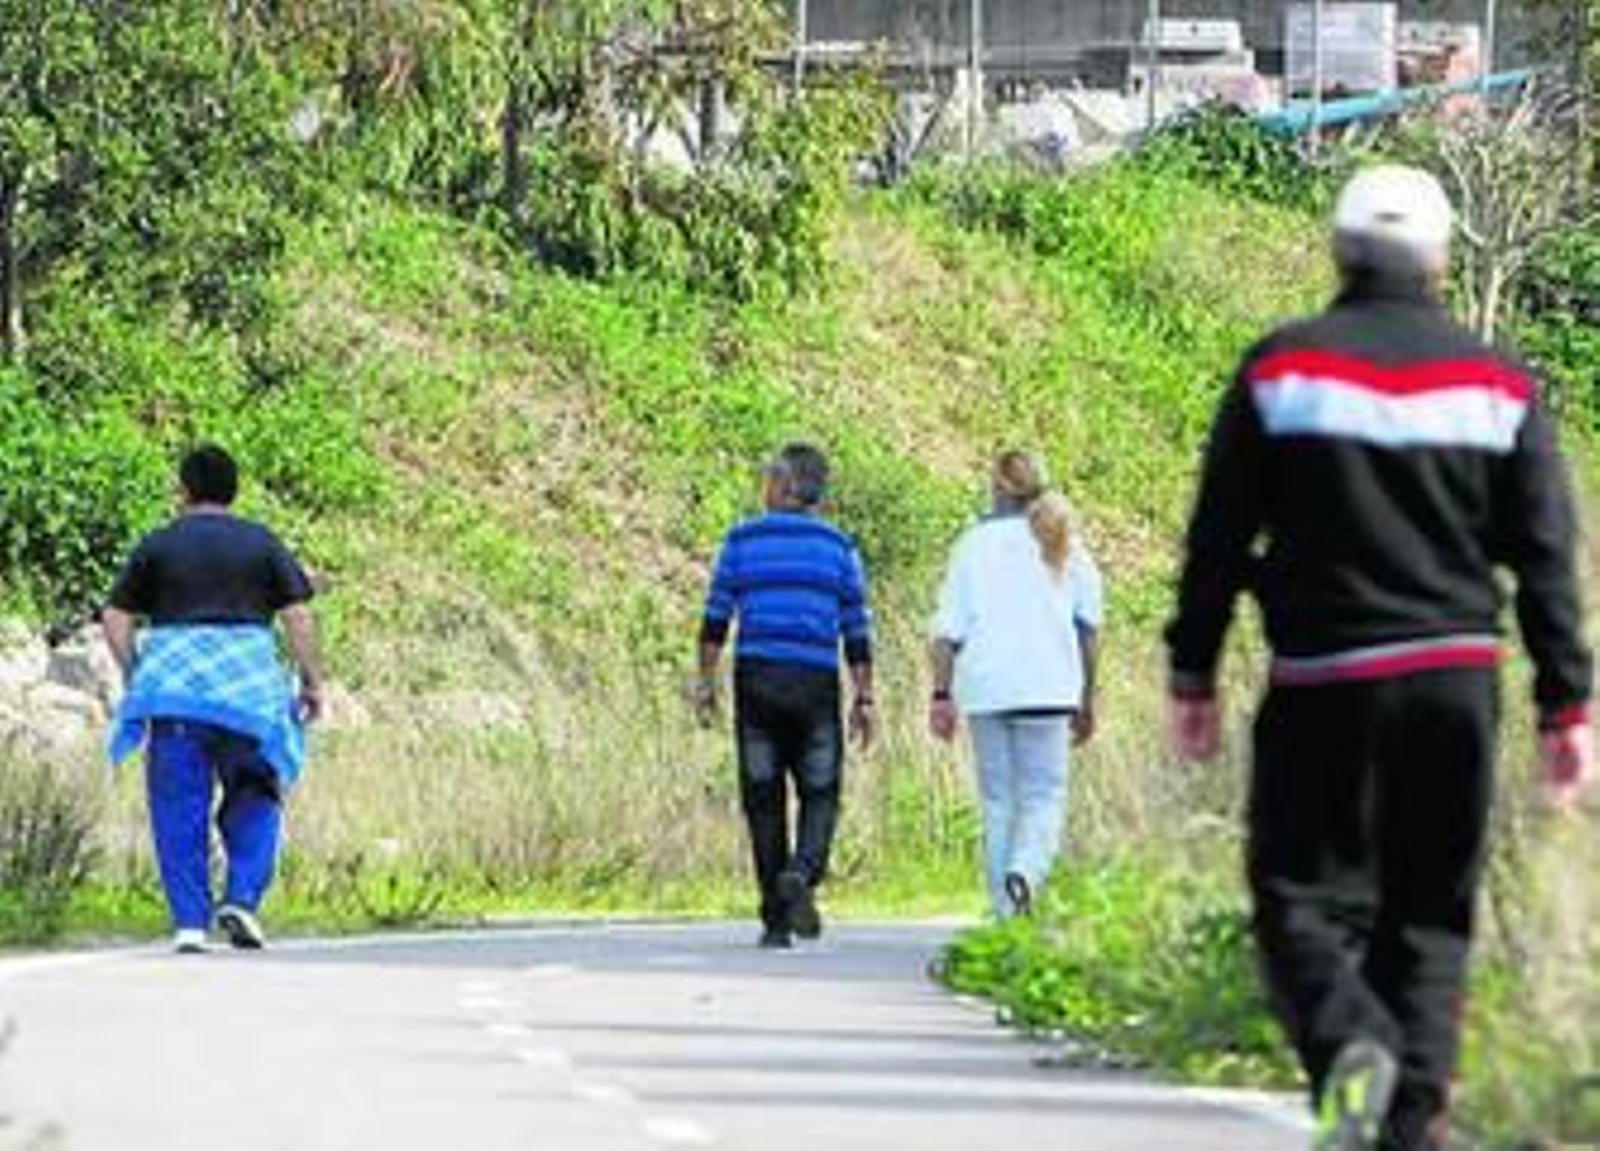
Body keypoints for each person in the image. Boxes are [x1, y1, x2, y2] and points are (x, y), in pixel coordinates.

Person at [1164, 165, 1594, 1151]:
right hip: (1454, 677)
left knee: (1299, 897)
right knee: (1429, 912)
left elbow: (1217, 535)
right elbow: (1543, 556)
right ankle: (1410, 1121)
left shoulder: (1282, 372)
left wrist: (1192, 671)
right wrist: (1565, 706)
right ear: (1441, 261)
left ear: (1337, 251)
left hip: (1324, 676)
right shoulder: (1497, 383)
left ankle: (1350, 1039)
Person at [103, 445, 325, 954]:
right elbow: (298, 617)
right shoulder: (261, 543)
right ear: (234, 490)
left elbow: (115, 617)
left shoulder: (158, 545)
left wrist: (140, 675)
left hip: (176, 696)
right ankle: (242, 899)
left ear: (183, 491)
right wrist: (312, 680)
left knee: (177, 803)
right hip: (248, 698)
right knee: (256, 793)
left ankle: (189, 923)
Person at [693, 443, 876, 949]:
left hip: (757, 680)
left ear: (787, 487)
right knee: (821, 792)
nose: (763, 486)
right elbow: (856, 627)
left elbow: (715, 618)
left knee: (763, 797)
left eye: (769, 477)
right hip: (815, 681)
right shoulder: (839, 548)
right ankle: (801, 873)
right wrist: (864, 697)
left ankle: (775, 920)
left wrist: (705, 682)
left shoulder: (742, 541)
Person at [928, 451, 1103, 918]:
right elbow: (1088, 628)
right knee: (1044, 796)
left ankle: (1005, 913)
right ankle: (1026, 871)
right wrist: (1088, 697)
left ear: (999, 487)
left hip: (986, 687)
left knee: (998, 799)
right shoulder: (1067, 541)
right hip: (1050, 688)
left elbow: (947, 632)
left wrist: (941, 695)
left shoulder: (971, 545)